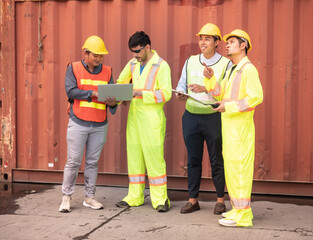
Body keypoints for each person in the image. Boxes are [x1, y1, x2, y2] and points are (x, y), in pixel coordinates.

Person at [201, 29, 263, 227]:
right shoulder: (233, 69)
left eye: (232, 42)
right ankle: (237, 209)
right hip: (230, 129)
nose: (227, 45)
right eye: (227, 42)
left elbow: (255, 97)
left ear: (243, 45)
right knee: (233, 171)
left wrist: (229, 106)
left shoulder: (248, 69)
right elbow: (220, 93)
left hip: (241, 131)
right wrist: (210, 78)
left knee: (241, 170)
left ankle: (244, 215)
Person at [175, 23, 232, 215]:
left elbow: (226, 92)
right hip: (191, 116)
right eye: (200, 38)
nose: (202, 42)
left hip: (213, 116)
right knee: (193, 160)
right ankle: (193, 200)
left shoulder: (226, 64)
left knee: (216, 159)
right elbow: (181, 83)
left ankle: (220, 200)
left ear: (217, 42)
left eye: (207, 38)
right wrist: (181, 93)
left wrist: (206, 88)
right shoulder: (191, 61)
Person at [59, 35, 118, 213]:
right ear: (85, 53)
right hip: (78, 122)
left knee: (92, 162)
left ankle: (89, 197)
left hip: (100, 123)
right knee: (73, 161)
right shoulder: (74, 68)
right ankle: (66, 198)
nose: (99, 59)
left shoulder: (107, 71)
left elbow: (112, 96)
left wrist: (113, 102)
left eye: (101, 56)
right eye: (95, 55)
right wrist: (93, 93)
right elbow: (70, 90)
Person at [115, 31, 172, 212]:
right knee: (134, 158)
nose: (135, 55)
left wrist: (140, 93)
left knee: (154, 160)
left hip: (151, 120)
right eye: (133, 52)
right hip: (134, 118)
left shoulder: (162, 66)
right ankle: (135, 196)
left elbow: (166, 93)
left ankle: (160, 199)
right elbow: (120, 82)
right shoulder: (132, 63)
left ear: (148, 47)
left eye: (138, 51)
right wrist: (118, 95)